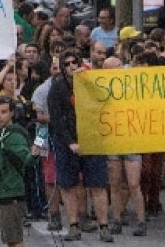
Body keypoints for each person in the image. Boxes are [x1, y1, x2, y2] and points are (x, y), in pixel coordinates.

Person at [48, 50, 112, 241]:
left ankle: (104, 226)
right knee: (68, 186)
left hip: (92, 141)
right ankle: (74, 225)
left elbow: (106, 99)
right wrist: (70, 142)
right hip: (68, 143)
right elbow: (57, 120)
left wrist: (88, 78)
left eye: (73, 63)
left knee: (98, 185)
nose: (70, 67)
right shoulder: (57, 89)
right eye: (66, 64)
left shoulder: (90, 82)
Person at [0, 98, 32, 247]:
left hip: (11, 193)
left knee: (15, 240)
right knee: (10, 240)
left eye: (4, 112)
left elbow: (27, 160)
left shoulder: (14, 135)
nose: (0, 116)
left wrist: (34, 155)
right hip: (4, 193)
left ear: (12, 113)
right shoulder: (3, 133)